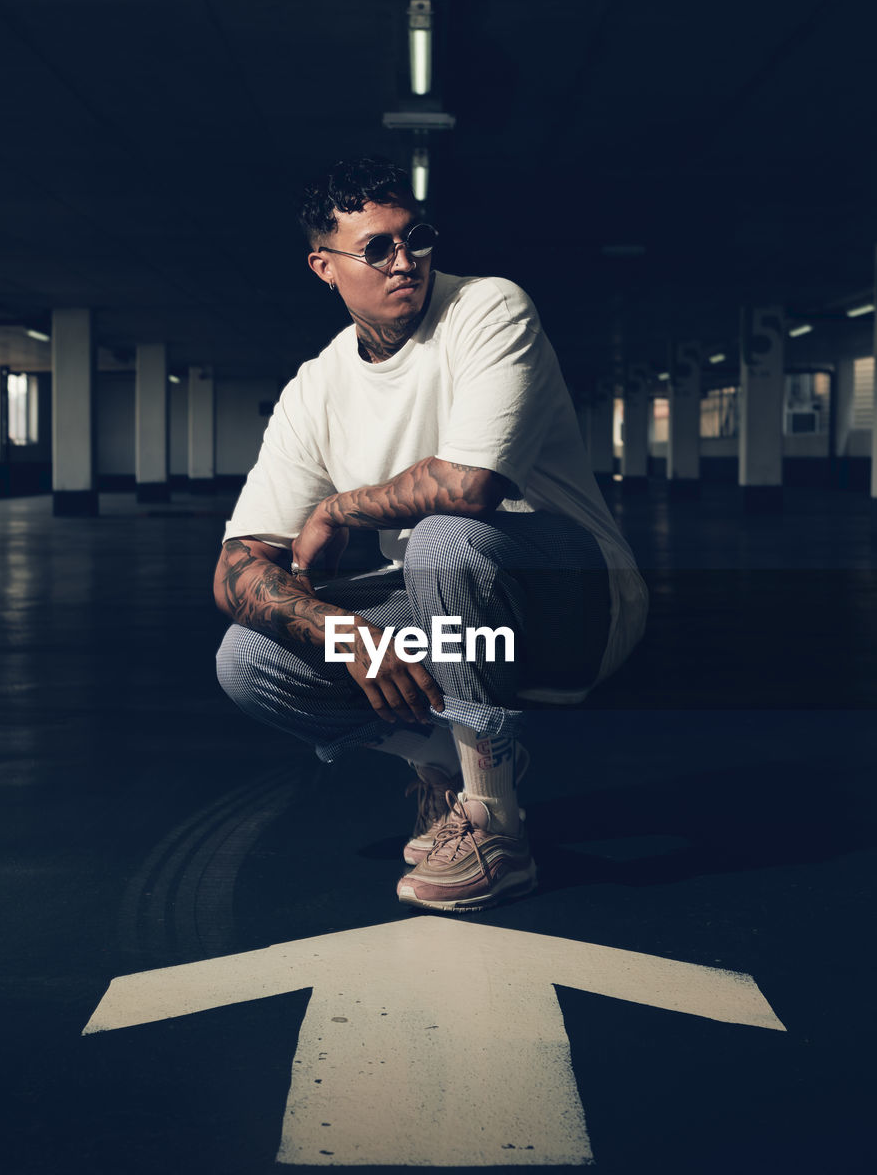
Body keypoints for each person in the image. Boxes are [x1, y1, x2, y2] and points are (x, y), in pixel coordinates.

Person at [214, 156, 647, 913]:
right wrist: (349, 638)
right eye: (376, 247)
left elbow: (471, 488)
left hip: (574, 604)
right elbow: (236, 568)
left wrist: (336, 508)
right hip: (456, 621)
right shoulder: (316, 387)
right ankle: (454, 764)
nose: (404, 259)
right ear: (325, 266)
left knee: (446, 535)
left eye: (415, 237)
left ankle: (497, 831)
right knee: (247, 660)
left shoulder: (488, 308)